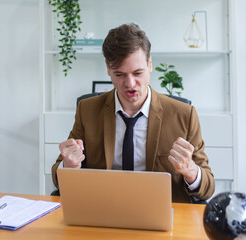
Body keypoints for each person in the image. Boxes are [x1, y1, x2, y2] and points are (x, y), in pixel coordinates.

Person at [51, 23, 215, 203]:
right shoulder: (87, 110)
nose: (130, 84)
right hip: (103, 210)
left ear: (150, 64)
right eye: (120, 74)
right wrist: (69, 165)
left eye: (137, 73)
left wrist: (190, 170)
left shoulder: (184, 115)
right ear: (108, 69)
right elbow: (57, 178)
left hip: (161, 214)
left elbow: (207, 188)